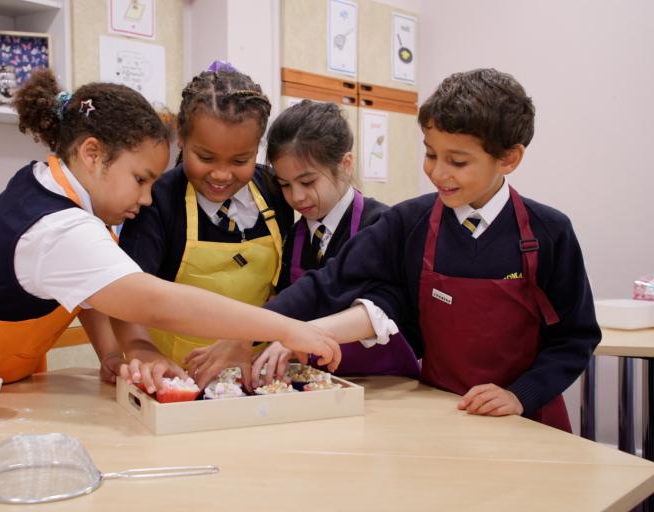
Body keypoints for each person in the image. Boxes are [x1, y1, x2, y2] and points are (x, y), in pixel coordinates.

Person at [0, 69, 340, 394]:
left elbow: (86, 286)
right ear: (92, 154)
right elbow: (155, 300)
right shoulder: (58, 226)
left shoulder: (48, 186)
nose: (146, 197)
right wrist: (287, 328)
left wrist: (111, 354)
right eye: (141, 179)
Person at [262, 69, 601, 432]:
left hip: (528, 420)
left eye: (457, 162)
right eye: (430, 154)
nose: (437, 173)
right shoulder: (409, 222)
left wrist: (520, 394)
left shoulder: (549, 231)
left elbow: (575, 337)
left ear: (508, 159)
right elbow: (329, 281)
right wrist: (255, 330)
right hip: (442, 415)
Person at [116, 61, 295, 389]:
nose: (222, 174)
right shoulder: (158, 200)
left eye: (241, 161)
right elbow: (126, 298)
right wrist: (143, 352)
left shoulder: (274, 191)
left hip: (257, 373)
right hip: (176, 378)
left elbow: (287, 287)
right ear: (181, 139)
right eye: (207, 158)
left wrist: (246, 337)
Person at [250, 100, 419, 388]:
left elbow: (384, 308)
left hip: (382, 382)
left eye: (308, 181)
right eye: (285, 185)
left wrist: (295, 333)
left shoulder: (381, 224)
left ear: (345, 164)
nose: (297, 197)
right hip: (317, 380)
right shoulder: (293, 236)